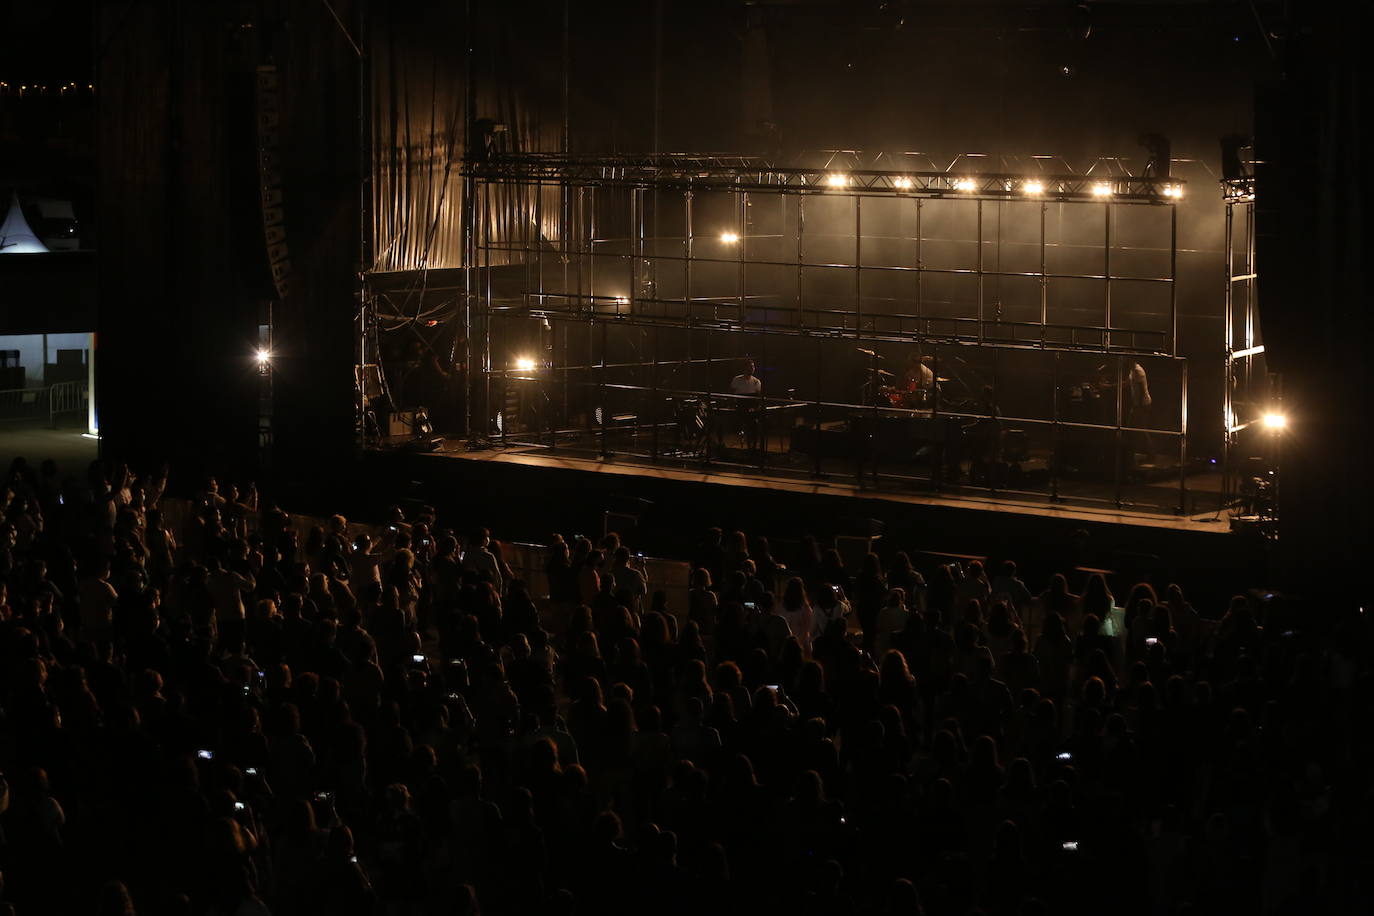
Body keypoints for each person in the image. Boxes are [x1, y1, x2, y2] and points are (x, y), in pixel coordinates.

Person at [727, 359, 763, 451]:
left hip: (752, 410)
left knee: (755, 422)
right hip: (739, 408)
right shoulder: (737, 379)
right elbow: (730, 395)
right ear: (744, 368)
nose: (752, 368)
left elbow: (758, 399)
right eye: (750, 366)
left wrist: (755, 407)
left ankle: (753, 447)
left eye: (753, 366)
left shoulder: (756, 382)